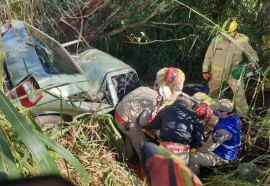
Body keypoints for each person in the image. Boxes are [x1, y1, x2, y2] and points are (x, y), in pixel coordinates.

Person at [202, 19, 259, 118]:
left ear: (235, 31)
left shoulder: (242, 40)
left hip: (234, 74)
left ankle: (243, 117)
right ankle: (209, 114)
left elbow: (252, 53)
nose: (225, 36)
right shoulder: (216, 40)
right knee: (212, 94)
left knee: (240, 95)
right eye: (224, 33)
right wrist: (205, 70)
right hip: (217, 74)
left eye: (228, 33)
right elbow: (208, 56)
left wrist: (253, 62)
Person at [114, 85, 171, 161]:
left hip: (118, 112)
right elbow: (142, 122)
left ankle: (127, 157)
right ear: (160, 98)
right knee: (142, 143)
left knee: (130, 136)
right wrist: (149, 122)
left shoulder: (145, 88)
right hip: (126, 122)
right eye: (162, 101)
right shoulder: (152, 102)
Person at [188, 99, 242, 175]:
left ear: (224, 113)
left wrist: (197, 150)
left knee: (192, 158)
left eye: (217, 110)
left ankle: (193, 179)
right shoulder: (233, 117)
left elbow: (210, 147)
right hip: (220, 148)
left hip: (221, 155)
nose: (215, 111)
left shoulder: (223, 131)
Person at [148, 93, 205, 164]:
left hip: (166, 146)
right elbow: (199, 139)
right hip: (182, 151)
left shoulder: (165, 110)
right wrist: (189, 146)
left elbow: (152, 127)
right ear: (188, 103)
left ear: (175, 100)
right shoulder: (195, 116)